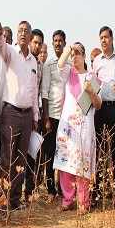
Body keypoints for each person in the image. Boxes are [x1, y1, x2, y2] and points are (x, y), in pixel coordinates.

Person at [0, 21, 39, 211]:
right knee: (7, 158)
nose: (22, 33)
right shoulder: (10, 52)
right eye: (20, 30)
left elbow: (34, 90)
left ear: (30, 37)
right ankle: (3, 200)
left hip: (27, 115)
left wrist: (35, 116)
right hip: (11, 112)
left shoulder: (34, 61)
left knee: (21, 159)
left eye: (25, 31)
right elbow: (0, 47)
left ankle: (14, 200)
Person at [53, 42, 102, 214]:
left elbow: (98, 104)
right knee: (66, 164)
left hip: (85, 126)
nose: (74, 56)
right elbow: (60, 64)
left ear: (84, 55)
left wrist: (91, 92)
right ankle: (67, 199)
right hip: (68, 125)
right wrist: (68, 49)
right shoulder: (68, 73)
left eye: (77, 53)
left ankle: (83, 201)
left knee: (83, 163)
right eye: (72, 54)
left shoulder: (92, 77)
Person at [93, 26, 115, 200]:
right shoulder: (97, 61)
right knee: (99, 147)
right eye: (101, 38)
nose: (103, 40)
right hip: (100, 108)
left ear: (112, 39)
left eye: (106, 37)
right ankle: (97, 188)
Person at [42, 30, 68, 200]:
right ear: (52, 44)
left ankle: (63, 188)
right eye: (55, 41)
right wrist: (45, 118)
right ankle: (51, 189)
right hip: (52, 115)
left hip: (66, 117)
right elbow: (44, 92)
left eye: (60, 41)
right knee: (50, 154)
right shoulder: (48, 64)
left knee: (64, 154)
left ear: (65, 43)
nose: (57, 43)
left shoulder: (70, 64)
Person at [25, 28, 44, 202]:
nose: (37, 46)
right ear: (30, 42)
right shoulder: (22, 60)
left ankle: (29, 192)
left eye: (39, 43)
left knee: (32, 154)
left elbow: (37, 92)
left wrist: (36, 116)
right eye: (35, 42)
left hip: (34, 112)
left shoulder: (40, 65)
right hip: (20, 111)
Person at [0, 26, 13, 169]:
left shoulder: (14, 57)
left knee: (6, 151)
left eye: (8, 38)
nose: (4, 40)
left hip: (9, 111)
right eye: (2, 37)